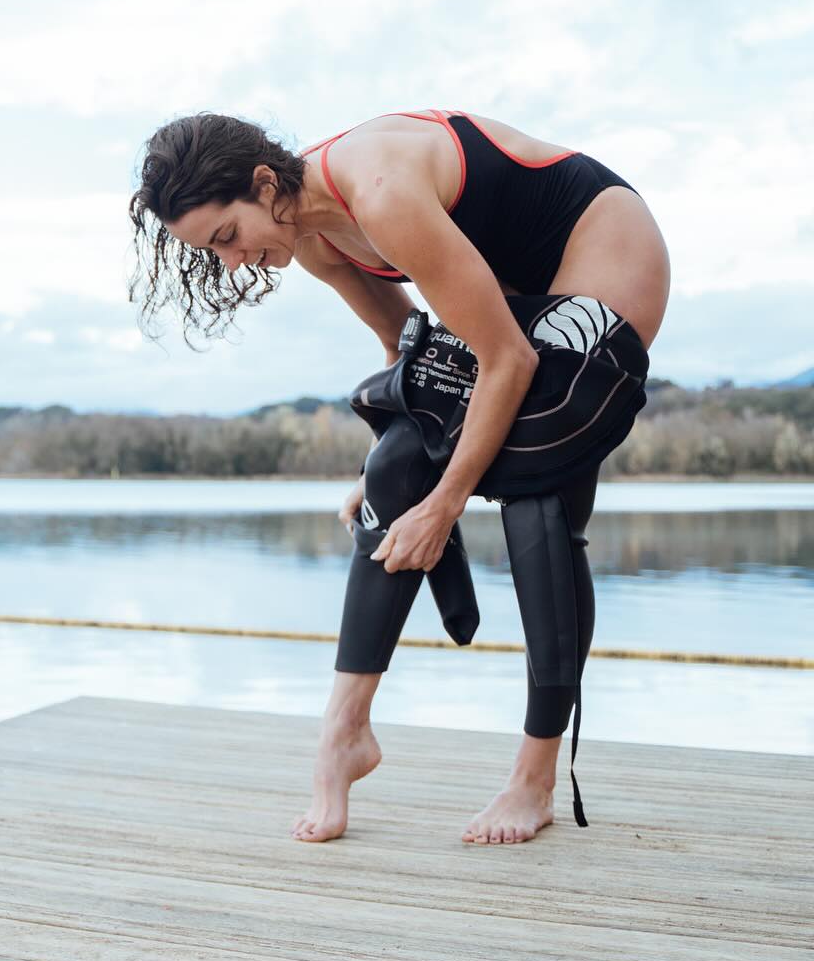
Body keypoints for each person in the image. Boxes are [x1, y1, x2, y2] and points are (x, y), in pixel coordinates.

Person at [127, 108, 671, 845]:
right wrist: (385, 479)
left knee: (536, 481)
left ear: (263, 183)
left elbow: (508, 360)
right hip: (508, 296)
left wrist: (443, 506)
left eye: (227, 236)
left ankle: (534, 779)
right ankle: (343, 732)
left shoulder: (381, 192)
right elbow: (405, 351)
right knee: (396, 464)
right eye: (213, 253)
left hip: (598, 242)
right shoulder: (314, 240)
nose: (233, 261)